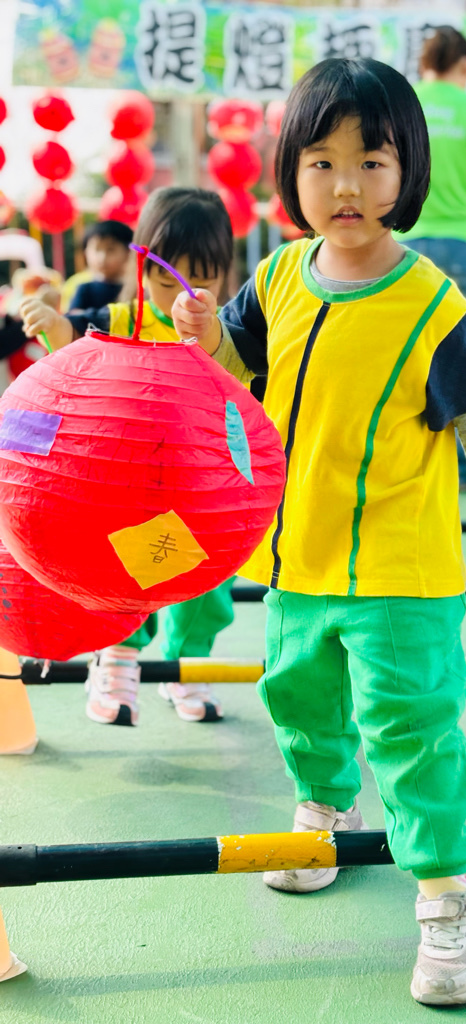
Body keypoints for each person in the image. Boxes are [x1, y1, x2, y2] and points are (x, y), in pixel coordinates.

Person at [171, 57, 466, 1007]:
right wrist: (204, 335)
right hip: (296, 557)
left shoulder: (431, 301)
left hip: (401, 571)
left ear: (407, 173)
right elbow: (233, 366)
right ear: (290, 172)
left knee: (410, 727)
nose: (346, 186)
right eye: (323, 163)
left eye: (372, 163)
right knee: (299, 699)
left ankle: (451, 895)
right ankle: (325, 811)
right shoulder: (278, 278)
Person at [20, 188, 245, 726]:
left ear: (225, 275)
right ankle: (117, 659)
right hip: (129, 495)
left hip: (202, 496)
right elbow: (74, 345)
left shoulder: (228, 332)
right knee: (129, 581)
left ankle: (185, 665)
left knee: (204, 591)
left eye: (201, 279)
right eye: (166, 279)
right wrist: (54, 324)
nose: (181, 295)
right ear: (141, 265)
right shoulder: (122, 320)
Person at [399, 26, 466, 336]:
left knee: (405, 343)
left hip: (404, 241)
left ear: (423, 63)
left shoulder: (402, 105)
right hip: (464, 239)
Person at [61, 220, 134, 313]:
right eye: (97, 249)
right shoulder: (85, 290)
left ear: (128, 253)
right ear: (85, 253)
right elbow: (73, 317)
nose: (102, 258)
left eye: (111, 250)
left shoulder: (134, 290)